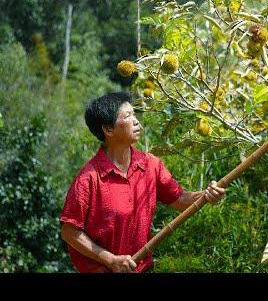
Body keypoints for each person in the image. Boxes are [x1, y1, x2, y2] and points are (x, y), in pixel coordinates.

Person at [60, 92, 225, 273]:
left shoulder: (150, 165)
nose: (136, 121)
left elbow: (179, 200)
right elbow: (69, 231)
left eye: (134, 114)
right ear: (108, 129)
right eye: (128, 116)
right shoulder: (89, 178)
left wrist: (206, 195)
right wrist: (111, 260)